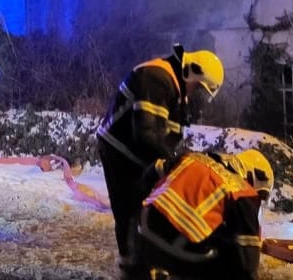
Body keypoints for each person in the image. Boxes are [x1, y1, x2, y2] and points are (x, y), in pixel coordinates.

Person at [96, 44, 225, 279]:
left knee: (147, 207)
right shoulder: (157, 78)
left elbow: (165, 135)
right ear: (191, 73)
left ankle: (145, 263)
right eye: (199, 88)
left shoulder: (174, 86)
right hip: (119, 150)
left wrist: (176, 160)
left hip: (135, 152)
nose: (197, 94)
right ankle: (132, 269)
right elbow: (146, 134)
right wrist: (173, 163)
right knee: (129, 208)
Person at [132, 149, 273, 280]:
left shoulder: (192, 157)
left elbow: (149, 175)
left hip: (141, 232)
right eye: (260, 194)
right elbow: (248, 265)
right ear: (253, 176)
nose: (257, 199)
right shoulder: (241, 190)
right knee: (232, 257)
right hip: (175, 248)